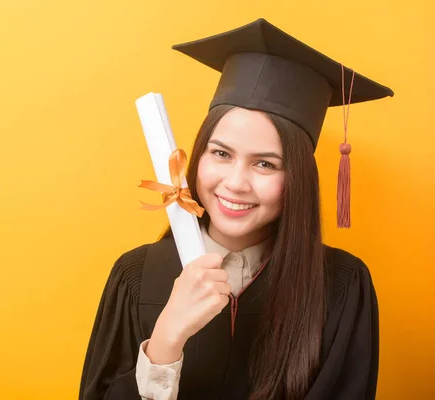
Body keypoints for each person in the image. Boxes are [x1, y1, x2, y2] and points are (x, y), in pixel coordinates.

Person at [79, 18, 393, 400]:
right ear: (197, 157)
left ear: (298, 178)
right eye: (221, 153)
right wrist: (164, 343)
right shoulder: (136, 277)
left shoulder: (341, 286)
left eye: (265, 163)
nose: (235, 183)